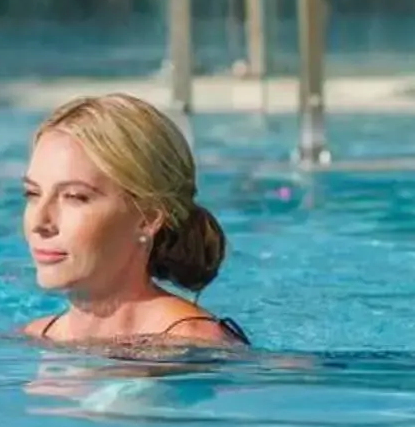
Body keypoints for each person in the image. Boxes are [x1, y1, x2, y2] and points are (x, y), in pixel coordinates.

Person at [19, 93, 251, 348]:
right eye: (33, 194)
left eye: (74, 196)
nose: (39, 221)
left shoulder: (195, 345)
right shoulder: (36, 336)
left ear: (147, 218)